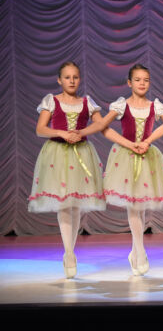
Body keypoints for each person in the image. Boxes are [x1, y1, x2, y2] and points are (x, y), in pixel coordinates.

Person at [29, 61, 106, 278]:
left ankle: (70, 251)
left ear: (79, 79)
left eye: (75, 77)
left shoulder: (86, 102)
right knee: (64, 204)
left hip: (81, 154)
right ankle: (69, 254)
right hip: (58, 155)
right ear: (59, 80)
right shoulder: (51, 101)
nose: (71, 81)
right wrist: (63, 133)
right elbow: (40, 129)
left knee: (76, 206)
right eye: (67, 77)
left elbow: (100, 124)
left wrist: (81, 133)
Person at [99, 64, 163, 276]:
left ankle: (135, 252)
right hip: (126, 157)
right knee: (133, 206)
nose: (142, 83)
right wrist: (129, 144)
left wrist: (148, 141)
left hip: (147, 157)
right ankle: (140, 252)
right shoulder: (122, 105)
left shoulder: (155, 106)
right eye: (138, 80)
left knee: (140, 206)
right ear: (129, 83)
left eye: (146, 80)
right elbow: (103, 127)